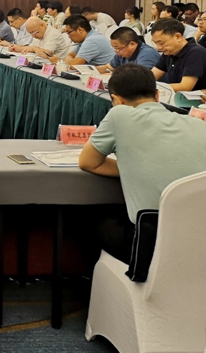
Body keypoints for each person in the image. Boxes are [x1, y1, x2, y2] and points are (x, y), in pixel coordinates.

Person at [78, 64, 206, 263]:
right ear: (157, 95)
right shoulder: (199, 125)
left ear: (116, 100)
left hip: (150, 243)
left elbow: (88, 162)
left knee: (88, 219)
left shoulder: (119, 115)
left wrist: (132, 167)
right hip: (198, 237)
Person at [150, 17, 206, 92]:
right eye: (156, 43)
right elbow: (151, 77)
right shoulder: (168, 53)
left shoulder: (196, 52)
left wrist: (152, 87)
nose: (158, 48)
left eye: (161, 43)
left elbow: (185, 87)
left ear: (178, 37)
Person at [95, 27, 161, 73]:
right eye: (114, 48)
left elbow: (140, 78)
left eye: (117, 48)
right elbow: (108, 68)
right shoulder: (121, 53)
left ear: (132, 44)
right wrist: (92, 70)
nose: (116, 51)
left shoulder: (147, 54)